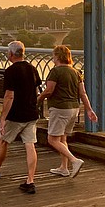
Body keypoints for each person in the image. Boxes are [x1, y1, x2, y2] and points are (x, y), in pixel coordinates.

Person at [0, 40, 42, 194]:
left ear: (10, 54)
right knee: (30, 144)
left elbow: (9, 96)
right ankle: (30, 180)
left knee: (3, 140)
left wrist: (3, 118)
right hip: (31, 113)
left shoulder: (10, 71)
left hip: (16, 114)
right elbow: (36, 92)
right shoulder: (32, 68)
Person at [36, 45, 98, 178]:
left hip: (60, 109)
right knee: (62, 138)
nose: (53, 58)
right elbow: (82, 93)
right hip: (73, 109)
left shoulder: (56, 71)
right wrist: (89, 110)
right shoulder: (76, 72)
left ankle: (74, 160)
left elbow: (49, 90)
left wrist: (37, 100)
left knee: (52, 139)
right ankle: (63, 168)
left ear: (57, 56)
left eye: (53, 56)